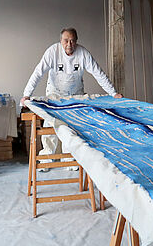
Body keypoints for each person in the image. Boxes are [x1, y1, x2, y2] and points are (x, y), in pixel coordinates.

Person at [21, 27, 122, 170]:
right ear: (61, 41)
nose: (69, 44)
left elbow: (98, 73)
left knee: (72, 126)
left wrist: (113, 93)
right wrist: (27, 94)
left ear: (76, 41)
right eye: (66, 40)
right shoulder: (52, 52)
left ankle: (70, 157)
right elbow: (38, 73)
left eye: (73, 41)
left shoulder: (83, 53)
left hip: (76, 94)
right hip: (54, 93)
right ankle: (46, 158)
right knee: (51, 124)